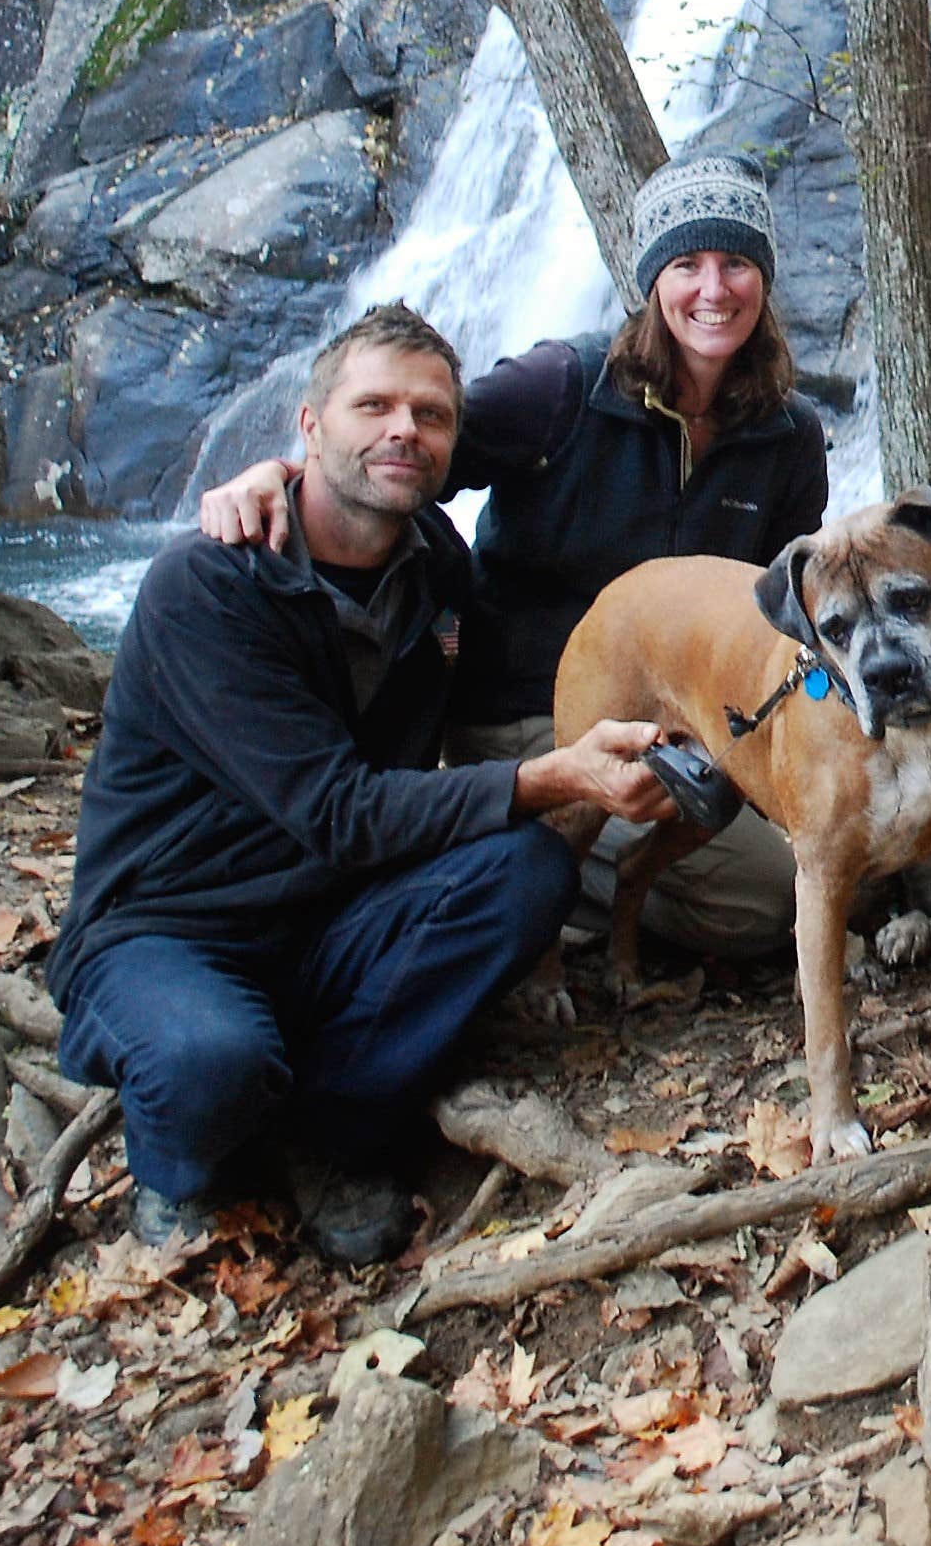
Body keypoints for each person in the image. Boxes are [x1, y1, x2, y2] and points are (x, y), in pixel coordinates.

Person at [49, 301, 677, 1261]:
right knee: (210, 1065)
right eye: (372, 407)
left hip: (330, 919)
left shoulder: (436, 570)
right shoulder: (210, 584)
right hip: (170, 929)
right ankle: (183, 1162)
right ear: (308, 427)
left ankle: (327, 1130)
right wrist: (556, 776)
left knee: (527, 875)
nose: (404, 431)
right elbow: (337, 811)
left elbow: (524, 655)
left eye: (431, 416)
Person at [201, 152, 829, 956]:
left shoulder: (787, 433)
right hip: (528, 711)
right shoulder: (563, 387)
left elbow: (781, 602)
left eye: (736, 262)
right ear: (651, 281)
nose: (714, 289)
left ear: (763, 278)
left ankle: (533, 868)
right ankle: (514, 859)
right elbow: (403, 459)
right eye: (687, 264)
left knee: (767, 902)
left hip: (692, 720)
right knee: (764, 896)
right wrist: (281, 473)